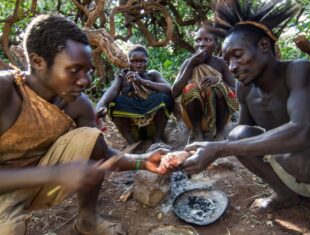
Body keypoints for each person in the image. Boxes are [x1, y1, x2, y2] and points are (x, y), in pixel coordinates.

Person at [0, 15, 169, 235]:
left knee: (90, 137)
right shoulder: (6, 92)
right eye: (74, 69)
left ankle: (87, 219)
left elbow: (101, 153)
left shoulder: (79, 105)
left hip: (40, 178)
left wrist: (144, 162)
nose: (86, 80)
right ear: (38, 61)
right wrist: (54, 174)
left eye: (88, 70)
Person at [181, 0, 310, 214]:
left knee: (291, 154)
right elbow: (242, 141)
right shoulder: (244, 88)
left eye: (238, 56)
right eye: (228, 60)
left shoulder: (298, 70)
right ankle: (285, 194)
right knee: (238, 134)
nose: (232, 67)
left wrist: (219, 148)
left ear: (264, 46)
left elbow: (302, 133)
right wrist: (205, 152)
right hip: (293, 164)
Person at [172, 24, 238, 141]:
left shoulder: (221, 63)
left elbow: (234, 89)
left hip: (220, 118)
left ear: (216, 45)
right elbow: (174, 92)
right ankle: (198, 133)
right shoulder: (188, 63)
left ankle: (220, 132)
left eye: (207, 40)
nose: (201, 44)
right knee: (189, 88)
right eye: (198, 40)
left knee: (218, 88)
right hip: (194, 118)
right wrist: (191, 65)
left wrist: (218, 81)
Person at [96, 45, 174, 145]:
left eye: (142, 61)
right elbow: (113, 90)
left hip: (151, 110)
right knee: (114, 102)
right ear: (128, 62)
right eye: (133, 61)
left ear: (147, 61)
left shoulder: (152, 74)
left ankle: (157, 138)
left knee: (165, 98)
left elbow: (169, 89)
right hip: (132, 113)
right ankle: (131, 143)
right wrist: (100, 105)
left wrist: (141, 81)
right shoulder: (123, 75)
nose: (138, 65)